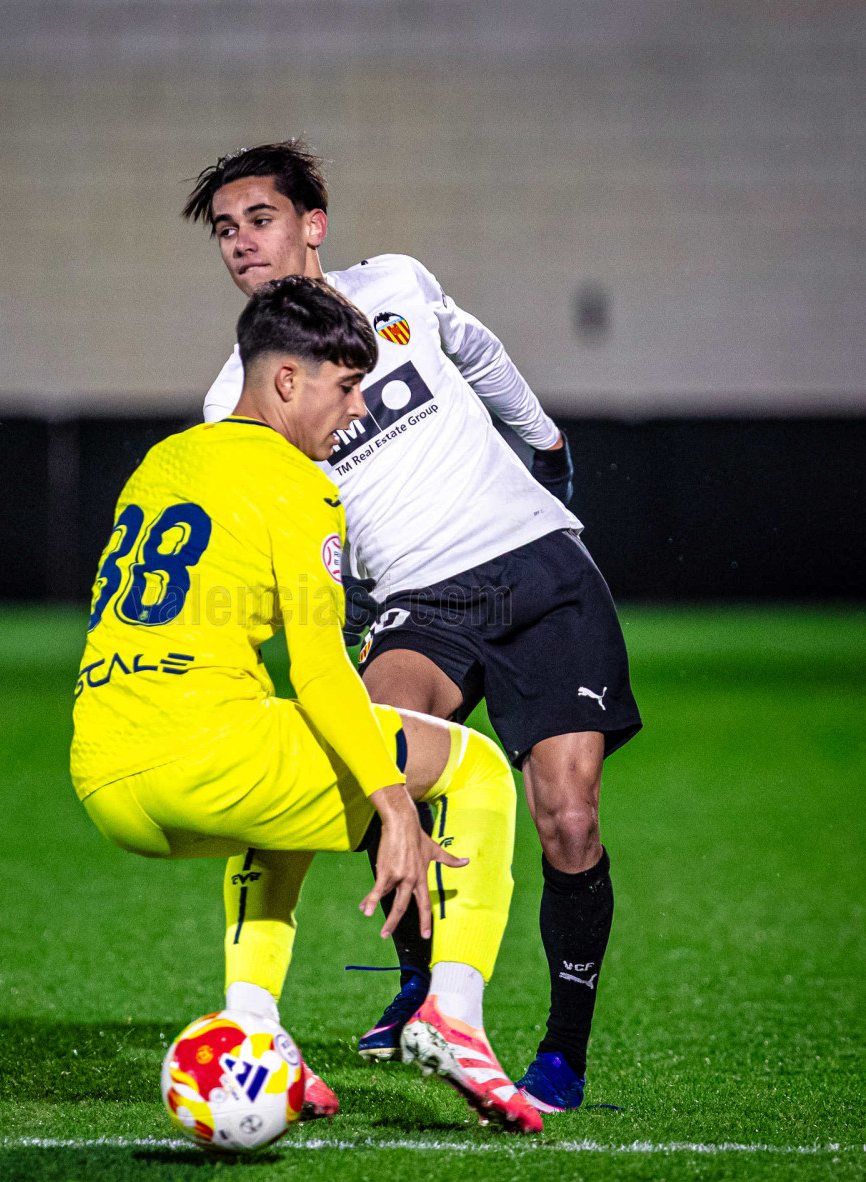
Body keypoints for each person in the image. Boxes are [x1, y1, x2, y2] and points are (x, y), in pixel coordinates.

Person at [184, 142, 642, 1113]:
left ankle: (562, 1052)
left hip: (537, 566)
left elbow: (479, 354)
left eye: (259, 219)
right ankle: (424, 984)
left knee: (568, 820)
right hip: (419, 603)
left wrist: (546, 443)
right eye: (225, 230)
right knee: (371, 756)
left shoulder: (394, 283)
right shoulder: (236, 398)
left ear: (313, 222)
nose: (240, 243)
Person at [70, 275, 543, 1134]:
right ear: (287, 380)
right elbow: (322, 670)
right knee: (476, 771)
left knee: (284, 773)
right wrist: (395, 807)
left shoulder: (164, 460)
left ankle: (253, 1028)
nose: (358, 408)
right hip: (204, 760)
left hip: (105, 776)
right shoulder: (299, 484)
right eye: (348, 385)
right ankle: (455, 1017)